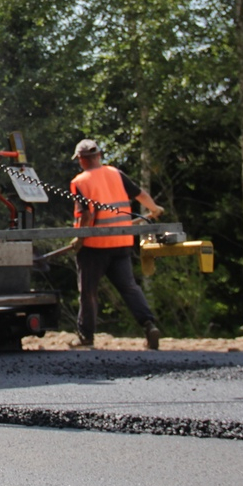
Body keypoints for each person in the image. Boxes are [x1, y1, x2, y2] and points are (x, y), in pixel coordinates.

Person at [69, 138, 165, 349]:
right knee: (130, 287)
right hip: (121, 243)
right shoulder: (116, 174)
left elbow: (85, 216)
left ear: (81, 160)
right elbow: (141, 195)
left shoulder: (80, 181)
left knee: (88, 292)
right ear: (99, 156)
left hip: (93, 247)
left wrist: (80, 239)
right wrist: (155, 209)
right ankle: (149, 326)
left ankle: (86, 336)